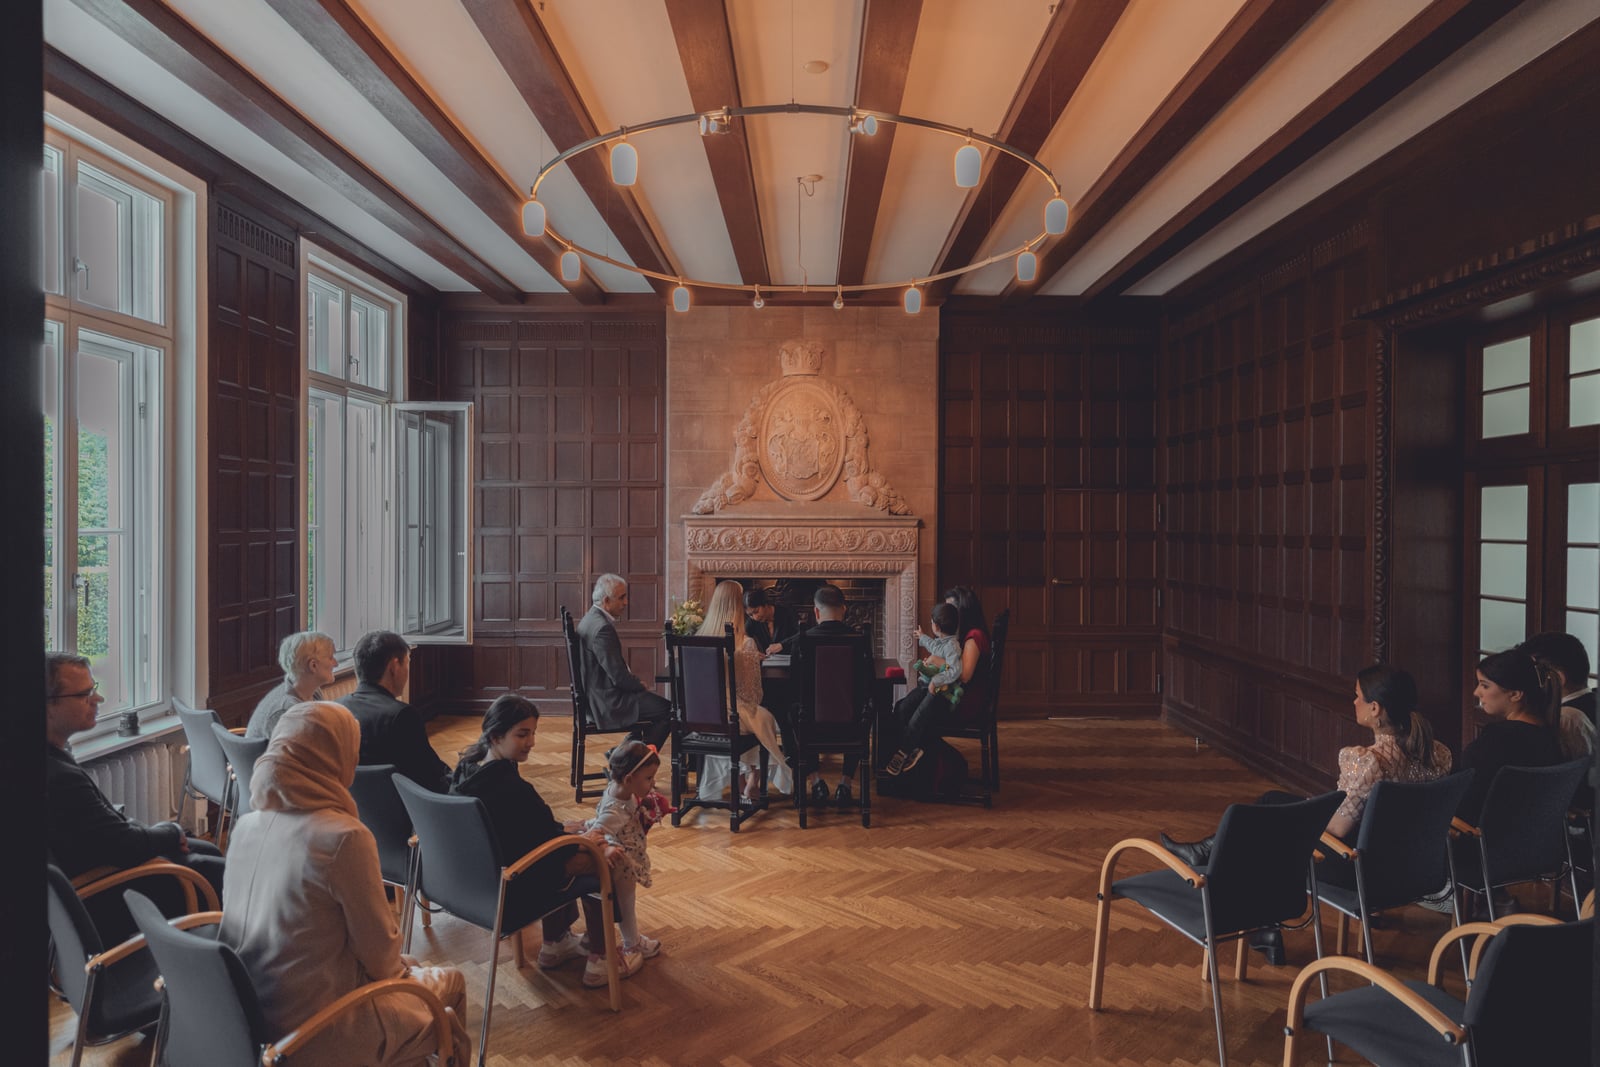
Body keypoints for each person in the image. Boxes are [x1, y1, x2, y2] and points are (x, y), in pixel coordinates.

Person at [221, 701, 472, 1066]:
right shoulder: (342, 838)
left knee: (412, 968)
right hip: (324, 1028)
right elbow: (382, 961)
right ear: (334, 758)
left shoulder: (246, 825)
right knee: (451, 983)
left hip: (256, 1020)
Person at [1160, 665, 1452, 962]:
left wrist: (1306, 813)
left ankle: (1253, 914)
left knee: (1271, 827)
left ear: (1375, 708)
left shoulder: (1369, 762)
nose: (1353, 702)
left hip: (1359, 869)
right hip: (1412, 867)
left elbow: (1337, 829)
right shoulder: (1436, 753)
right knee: (1273, 803)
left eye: (1357, 697)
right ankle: (1213, 859)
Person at [449, 695, 627, 990]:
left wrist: (563, 832)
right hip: (513, 889)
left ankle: (555, 943)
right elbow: (545, 842)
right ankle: (600, 960)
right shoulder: (511, 788)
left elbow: (527, 830)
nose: (531, 742)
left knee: (570, 841)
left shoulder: (466, 769)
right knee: (599, 860)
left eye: (533, 733)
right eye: (522, 734)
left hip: (476, 883)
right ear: (496, 735)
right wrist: (587, 841)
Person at [45, 651, 226, 934]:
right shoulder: (59, 778)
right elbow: (122, 845)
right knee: (214, 871)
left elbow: (104, 833)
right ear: (47, 706)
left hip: (102, 870)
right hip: (103, 895)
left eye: (94, 690)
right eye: (84, 695)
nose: (98, 700)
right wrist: (170, 831)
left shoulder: (47, 758)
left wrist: (162, 832)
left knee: (206, 849)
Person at [694, 580, 793, 801]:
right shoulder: (745, 643)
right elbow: (752, 695)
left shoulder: (698, 639)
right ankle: (751, 781)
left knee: (751, 721)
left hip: (701, 716)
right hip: (731, 716)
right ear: (739, 606)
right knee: (762, 719)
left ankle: (741, 782)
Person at [775, 584, 871, 808]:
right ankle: (845, 784)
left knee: (789, 711)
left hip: (811, 727)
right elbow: (866, 686)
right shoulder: (860, 639)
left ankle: (815, 780)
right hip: (851, 726)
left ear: (816, 612)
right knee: (865, 710)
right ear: (844, 609)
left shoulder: (802, 640)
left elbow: (794, 688)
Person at [884, 586, 991, 776]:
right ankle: (906, 759)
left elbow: (964, 675)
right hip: (952, 693)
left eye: (951, 609)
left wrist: (934, 661)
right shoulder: (957, 639)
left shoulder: (974, 637)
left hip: (962, 703)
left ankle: (910, 756)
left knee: (910, 708)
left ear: (962, 611)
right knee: (902, 707)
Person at [1455, 647, 1566, 825]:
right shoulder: (1548, 734)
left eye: (1485, 685)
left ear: (1515, 694)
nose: (1477, 692)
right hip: (1527, 841)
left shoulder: (1498, 738)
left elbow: (1467, 797)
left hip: (1476, 839)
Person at [583, 740, 664, 981]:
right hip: (622, 863)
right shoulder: (614, 809)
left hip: (629, 853)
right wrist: (606, 848)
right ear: (629, 779)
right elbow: (597, 831)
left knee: (627, 904)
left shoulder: (619, 789)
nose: (653, 783)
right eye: (648, 779)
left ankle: (633, 941)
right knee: (627, 905)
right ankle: (632, 945)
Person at [341, 630, 451, 793]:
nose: (408, 670)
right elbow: (430, 776)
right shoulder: (402, 715)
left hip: (355, 809)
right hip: (402, 810)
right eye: (407, 662)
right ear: (394, 667)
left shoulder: (336, 708)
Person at [576, 574, 672, 749]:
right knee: (668, 711)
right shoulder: (602, 628)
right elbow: (619, 676)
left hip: (597, 698)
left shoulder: (590, 619)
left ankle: (622, 754)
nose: (626, 602)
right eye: (621, 597)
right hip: (607, 703)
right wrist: (639, 685)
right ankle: (635, 765)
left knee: (655, 708)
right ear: (606, 600)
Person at [885, 602, 966, 777]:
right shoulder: (943, 641)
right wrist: (922, 637)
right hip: (925, 686)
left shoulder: (952, 646)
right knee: (901, 707)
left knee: (918, 715)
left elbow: (956, 670)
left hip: (939, 692)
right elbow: (934, 647)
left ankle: (904, 751)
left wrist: (936, 681)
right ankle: (912, 748)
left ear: (935, 626)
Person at [245, 630, 335, 739]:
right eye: (331, 658)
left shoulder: (313, 692)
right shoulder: (286, 711)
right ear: (313, 666)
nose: (336, 663)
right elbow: (296, 754)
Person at [743, 585, 795, 654]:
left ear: (765, 603)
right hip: (767, 662)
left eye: (756, 611)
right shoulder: (752, 621)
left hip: (791, 660)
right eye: (750, 615)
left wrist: (782, 645)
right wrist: (753, 653)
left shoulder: (787, 613)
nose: (755, 617)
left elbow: (801, 635)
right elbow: (742, 636)